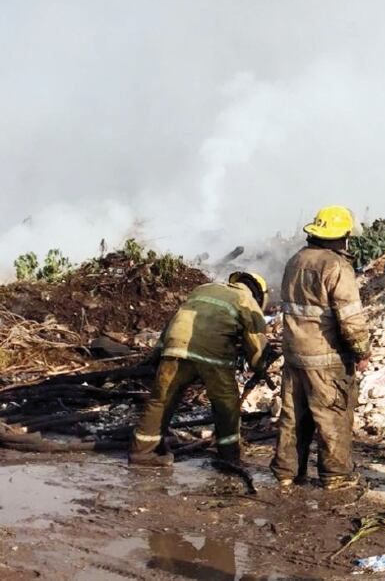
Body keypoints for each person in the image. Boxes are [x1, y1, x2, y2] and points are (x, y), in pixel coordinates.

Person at [271, 205, 371, 489]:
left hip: (294, 354)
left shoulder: (295, 260)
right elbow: (350, 317)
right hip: (326, 357)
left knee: (293, 415)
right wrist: (362, 351)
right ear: (342, 236)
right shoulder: (337, 266)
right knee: (332, 415)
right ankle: (336, 474)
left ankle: (287, 471)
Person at [130, 271, 269, 467]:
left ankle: (142, 452)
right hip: (212, 356)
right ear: (259, 293)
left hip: (176, 348)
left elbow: (175, 321)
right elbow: (255, 341)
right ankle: (228, 455)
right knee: (225, 405)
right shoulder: (245, 299)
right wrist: (260, 366)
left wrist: (158, 353)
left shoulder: (203, 289)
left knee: (161, 400)